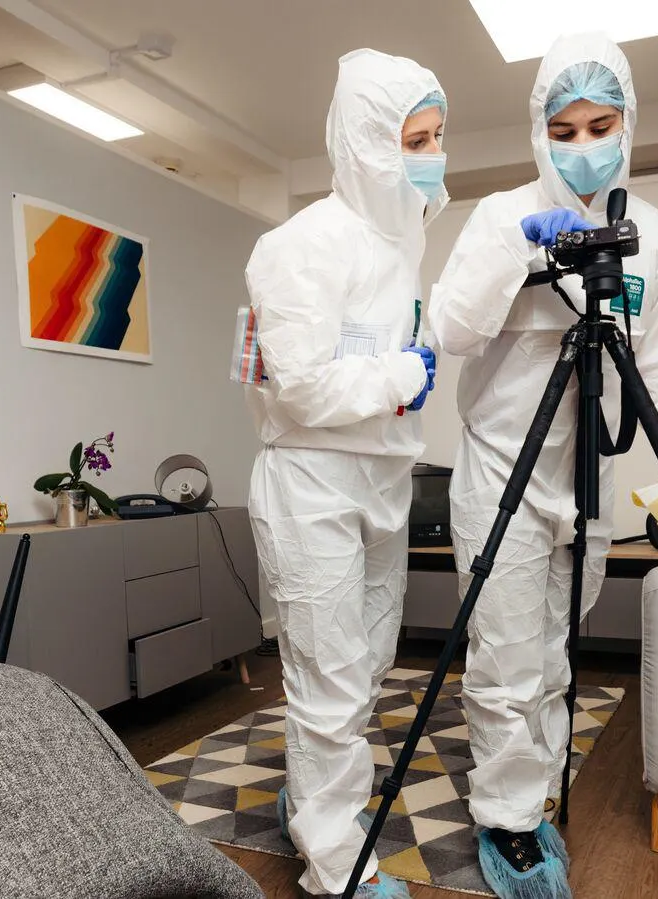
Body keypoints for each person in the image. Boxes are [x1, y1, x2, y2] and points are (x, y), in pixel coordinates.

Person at [427, 32, 658, 899]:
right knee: (508, 656)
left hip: (585, 475)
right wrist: (520, 249)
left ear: (632, 124)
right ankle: (509, 823)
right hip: (502, 471)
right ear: (538, 131)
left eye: (603, 124)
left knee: (557, 651)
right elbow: (449, 327)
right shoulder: (498, 216)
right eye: (566, 128)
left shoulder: (653, 236)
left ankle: (538, 787)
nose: (585, 144)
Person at [244, 48, 450, 899]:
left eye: (439, 136)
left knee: (365, 662)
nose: (433, 155)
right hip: (313, 484)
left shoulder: (403, 242)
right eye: (415, 139)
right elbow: (300, 382)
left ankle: (320, 790)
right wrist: (404, 377)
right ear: (366, 144)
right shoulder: (296, 247)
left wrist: (419, 362)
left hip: (382, 483)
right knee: (327, 677)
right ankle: (334, 859)